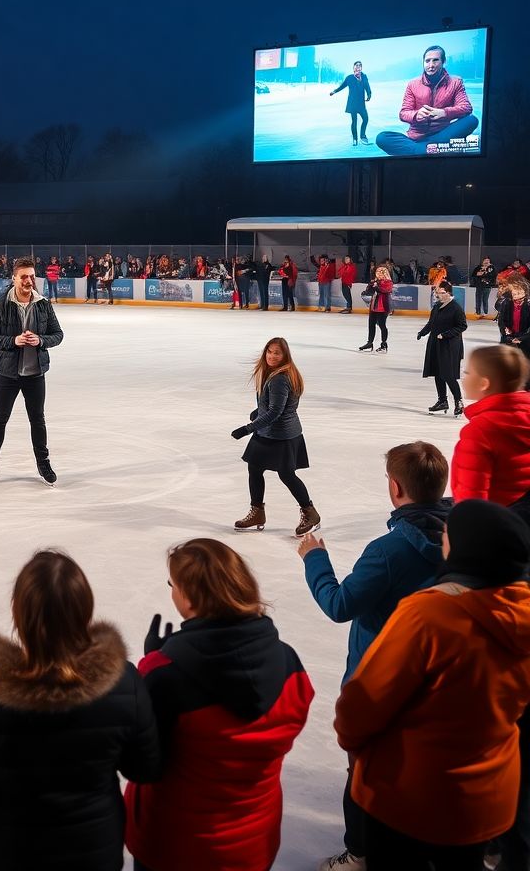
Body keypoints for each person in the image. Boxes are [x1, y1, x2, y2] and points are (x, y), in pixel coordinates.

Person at [335, 500, 530, 870]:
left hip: (410, 795)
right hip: (488, 796)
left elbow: (362, 706)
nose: (442, 537)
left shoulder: (429, 614)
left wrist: (359, 751)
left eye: (448, 533)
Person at [0, 549, 161, 871]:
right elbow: (145, 768)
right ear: (85, 609)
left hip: (4, 853)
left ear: (18, 612)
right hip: (92, 852)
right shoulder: (123, 683)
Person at [299, 442, 449, 871]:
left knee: (364, 770)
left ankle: (361, 851)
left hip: (381, 678)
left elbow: (341, 605)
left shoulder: (389, 551)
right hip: (438, 674)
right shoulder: (463, 532)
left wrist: (316, 560)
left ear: (395, 488)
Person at [124, 539, 312, 871]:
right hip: (252, 843)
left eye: (174, 586)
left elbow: (142, 762)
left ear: (191, 597)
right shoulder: (288, 663)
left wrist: (152, 664)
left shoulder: (164, 678)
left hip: (175, 846)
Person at [0, 256, 64, 486]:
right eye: (23, 276)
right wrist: (13, 340)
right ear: (14, 278)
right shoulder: (1, 305)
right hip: (8, 374)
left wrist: (41, 341)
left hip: (35, 375)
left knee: (38, 420)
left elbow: (58, 335)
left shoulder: (43, 304)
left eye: (32, 276)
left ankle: (44, 464)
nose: (28, 281)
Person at [232, 337, 320, 536]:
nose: (272, 356)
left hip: (281, 435)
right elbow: (272, 407)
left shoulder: (280, 378)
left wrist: (247, 428)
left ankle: (310, 512)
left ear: (285, 355)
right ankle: (257, 512)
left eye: (277, 353)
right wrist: (258, 412)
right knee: (254, 468)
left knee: (286, 474)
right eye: (269, 352)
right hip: (269, 432)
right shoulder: (273, 373)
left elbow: (275, 412)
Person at [451, 346, 530, 505]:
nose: (464, 377)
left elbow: (472, 500)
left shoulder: (480, 430)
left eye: (467, 373)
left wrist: (458, 527)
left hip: (495, 523)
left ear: (483, 383)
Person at [374, 45, 478, 156]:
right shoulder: (413, 84)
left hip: (442, 135)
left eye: (435, 60)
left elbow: (466, 107)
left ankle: (420, 150)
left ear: (444, 62)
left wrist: (444, 113)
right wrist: (416, 115)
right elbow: (403, 113)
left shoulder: (456, 82)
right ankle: (426, 150)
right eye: (427, 61)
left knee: (472, 120)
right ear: (423, 63)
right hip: (416, 137)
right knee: (382, 138)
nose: (431, 65)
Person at [417, 280, 467, 416]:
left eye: (442, 293)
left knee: (448, 374)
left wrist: (445, 335)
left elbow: (462, 326)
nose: (439, 295)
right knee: (437, 372)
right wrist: (423, 332)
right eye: (437, 292)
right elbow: (431, 322)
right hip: (435, 343)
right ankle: (442, 401)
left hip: (449, 345)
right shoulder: (437, 306)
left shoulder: (456, 308)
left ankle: (459, 402)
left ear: (449, 292)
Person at [330, 61, 374, 146]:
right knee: (354, 121)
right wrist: (334, 91)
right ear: (353, 68)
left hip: (361, 103)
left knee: (365, 119)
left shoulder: (364, 77)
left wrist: (369, 94)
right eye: (356, 65)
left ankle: (363, 136)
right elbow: (342, 86)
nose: (358, 67)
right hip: (352, 103)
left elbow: (367, 86)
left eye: (360, 65)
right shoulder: (349, 78)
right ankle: (355, 139)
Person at [358, 264, 393, 353]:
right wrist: (370, 287)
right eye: (377, 272)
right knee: (371, 324)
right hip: (374, 306)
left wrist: (376, 287)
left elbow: (385, 290)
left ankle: (384, 344)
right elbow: (369, 291)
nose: (378, 274)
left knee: (382, 325)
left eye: (381, 272)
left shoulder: (388, 282)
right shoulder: (375, 281)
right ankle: (370, 342)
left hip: (383, 307)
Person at [497, 277, 530, 369]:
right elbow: (501, 321)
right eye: (514, 291)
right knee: (506, 366)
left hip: (525, 339)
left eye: (519, 291)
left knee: (525, 366)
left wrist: (521, 338)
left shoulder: (528, 304)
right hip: (509, 338)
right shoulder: (506, 302)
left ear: (525, 292)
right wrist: (506, 334)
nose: (515, 294)